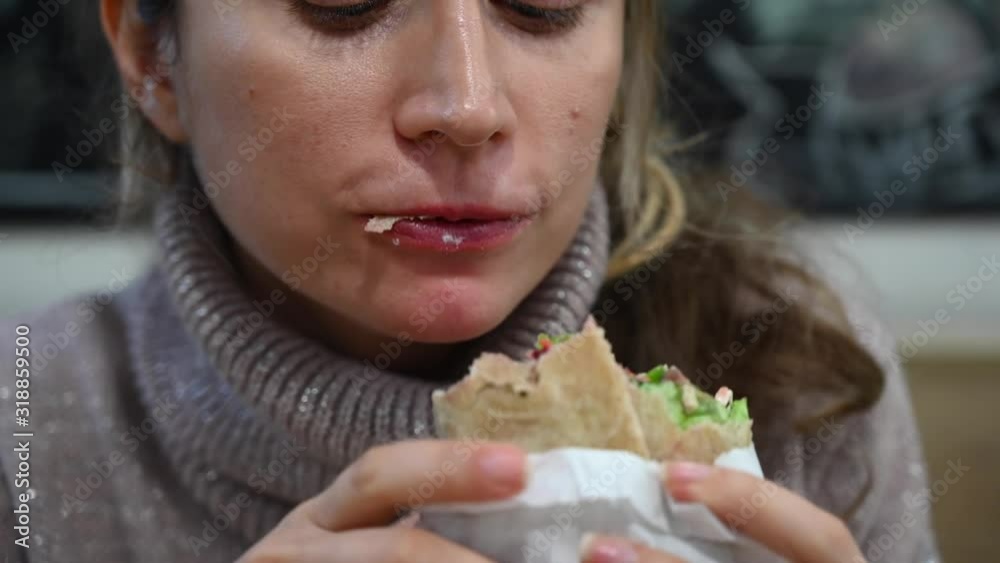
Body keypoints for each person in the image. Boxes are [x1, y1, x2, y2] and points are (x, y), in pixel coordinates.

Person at [0, 1, 939, 561]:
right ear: (149, 55)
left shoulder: (801, 368)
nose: (466, 107)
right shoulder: (28, 439)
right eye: (344, 2)